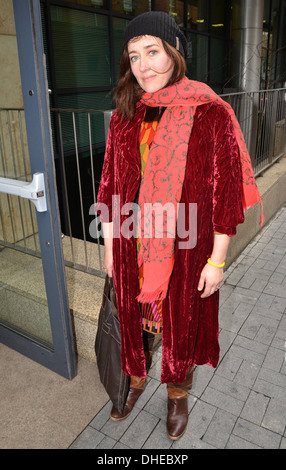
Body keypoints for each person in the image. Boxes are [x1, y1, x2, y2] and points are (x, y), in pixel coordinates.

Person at [95, 11, 262, 441]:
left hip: (188, 247)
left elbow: (226, 192)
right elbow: (111, 186)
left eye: (152, 52)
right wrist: (111, 249)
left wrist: (218, 261)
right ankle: (133, 381)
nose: (143, 65)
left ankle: (176, 394)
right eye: (133, 56)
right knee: (134, 321)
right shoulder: (124, 116)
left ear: (175, 54)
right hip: (134, 242)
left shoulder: (211, 113)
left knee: (180, 322)